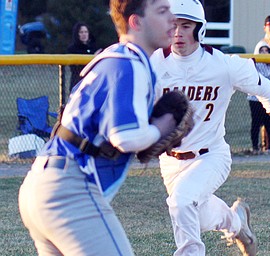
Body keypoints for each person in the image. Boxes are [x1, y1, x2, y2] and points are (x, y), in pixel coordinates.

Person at [18, 0, 175, 255]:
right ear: (136, 21)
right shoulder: (129, 63)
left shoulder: (114, 58)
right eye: (162, 10)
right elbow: (126, 137)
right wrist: (161, 127)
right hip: (68, 189)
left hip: (41, 184)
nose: (173, 18)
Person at [150, 1, 270, 255]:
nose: (178, 32)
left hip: (211, 155)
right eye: (173, 25)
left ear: (200, 29)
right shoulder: (153, 63)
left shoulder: (222, 64)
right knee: (193, 216)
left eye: (186, 26)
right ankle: (237, 222)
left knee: (181, 203)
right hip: (170, 161)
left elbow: (265, 88)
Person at [67, 22, 103, 92]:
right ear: (77, 34)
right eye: (81, 32)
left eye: (86, 32)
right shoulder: (72, 48)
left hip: (92, 82)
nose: (84, 34)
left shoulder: (93, 47)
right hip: (78, 82)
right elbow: (76, 68)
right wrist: (93, 57)